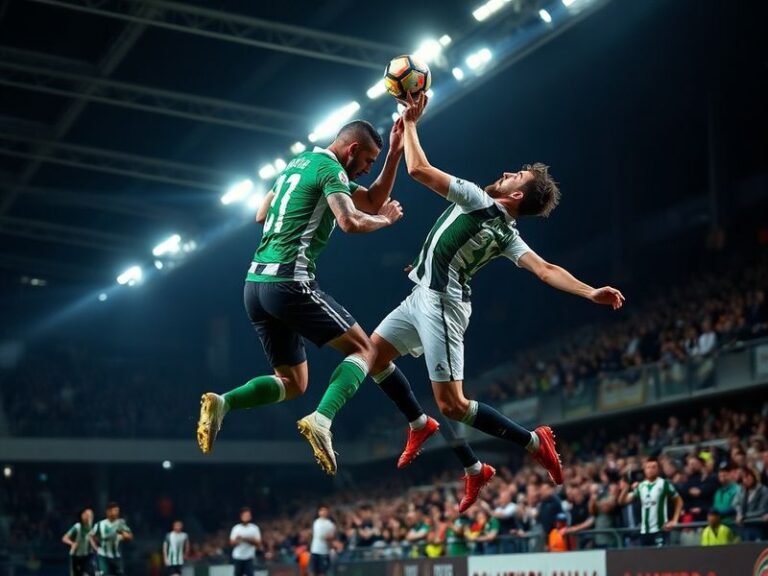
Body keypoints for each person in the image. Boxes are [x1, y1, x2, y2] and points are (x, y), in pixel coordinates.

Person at [368, 92, 625, 512]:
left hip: (443, 307)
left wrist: (410, 121)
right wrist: (589, 290)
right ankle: (421, 425)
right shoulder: (506, 232)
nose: (506, 173)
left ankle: (531, 441)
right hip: (421, 295)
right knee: (373, 355)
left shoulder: (478, 199)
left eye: (515, 176)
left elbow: (417, 169)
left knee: (453, 403)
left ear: (517, 197)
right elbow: (544, 269)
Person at [197, 119, 406, 474]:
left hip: (254, 286)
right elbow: (353, 221)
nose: (369, 168)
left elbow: (262, 215)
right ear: (351, 149)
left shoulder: (296, 166)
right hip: (289, 282)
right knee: (365, 349)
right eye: (369, 160)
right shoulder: (330, 170)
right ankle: (322, 420)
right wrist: (385, 221)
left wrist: (394, 156)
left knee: (294, 383)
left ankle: (224, 402)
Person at [618, 457, 683, 547]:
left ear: (658, 470)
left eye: (653, 467)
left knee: (661, 557)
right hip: (645, 531)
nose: (650, 470)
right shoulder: (641, 486)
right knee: (647, 559)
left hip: (660, 529)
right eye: (648, 467)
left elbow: (678, 501)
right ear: (644, 470)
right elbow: (622, 501)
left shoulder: (665, 484)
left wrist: (674, 520)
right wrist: (627, 485)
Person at [89, 502, 133, 576]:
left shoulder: (121, 523)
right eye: (114, 510)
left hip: (116, 556)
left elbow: (130, 536)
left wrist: (124, 535)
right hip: (103, 556)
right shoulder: (99, 525)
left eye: (117, 511)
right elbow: (91, 536)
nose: (116, 513)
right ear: (108, 512)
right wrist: (95, 547)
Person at [735, 467, 768, 541]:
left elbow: (763, 510)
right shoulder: (743, 491)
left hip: (759, 526)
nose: (746, 479)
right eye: (744, 478)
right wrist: (739, 513)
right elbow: (736, 503)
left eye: (748, 476)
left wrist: (744, 516)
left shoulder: (763, 490)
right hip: (746, 526)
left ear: (754, 476)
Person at [62, 507, 95, 576]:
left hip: (87, 556)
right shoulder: (77, 527)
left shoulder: (93, 528)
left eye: (91, 515)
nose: (89, 517)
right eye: (87, 515)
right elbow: (64, 538)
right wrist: (72, 543)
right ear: (82, 516)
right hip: (76, 556)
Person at [230, 507, 262, 576]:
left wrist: (246, 539)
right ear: (241, 517)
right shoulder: (236, 528)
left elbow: (258, 543)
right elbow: (231, 543)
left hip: (249, 557)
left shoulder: (254, 528)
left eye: (248, 516)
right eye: (244, 516)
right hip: (238, 557)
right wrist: (237, 540)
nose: (246, 517)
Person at [310, 505, 335, 576]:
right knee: (312, 571)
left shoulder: (330, 524)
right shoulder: (316, 522)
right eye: (321, 510)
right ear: (319, 512)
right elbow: (320, 535)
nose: (323, 512)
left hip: (324, 551)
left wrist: (328, 537)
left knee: (322, 572)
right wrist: (326, 536)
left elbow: (331, 536)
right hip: (315, 550)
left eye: (325, 510)